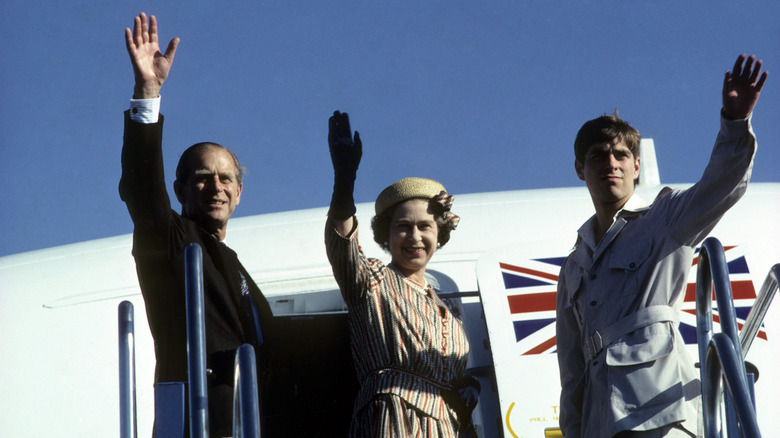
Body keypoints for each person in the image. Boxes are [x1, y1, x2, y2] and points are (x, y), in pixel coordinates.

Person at [555, 54, 768, 437]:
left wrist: (735, 123)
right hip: (599, 424)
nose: (611, 164)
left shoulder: (663, 219)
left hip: (659, 410)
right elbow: (571, 370)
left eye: (621, 155)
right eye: (598, 156)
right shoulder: (574, 265)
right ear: (579, 169)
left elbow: (721, 185)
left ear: (637, 166)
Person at [119, 13, 274, 437]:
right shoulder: (172, 239)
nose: (216, 187)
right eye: (203, 177)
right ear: (181, 189)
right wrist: (147, 93)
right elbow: (141, 190)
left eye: (226, 179)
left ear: (240, 193)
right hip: (196, 419)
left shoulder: (235, 266)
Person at [324, 111, 480, 437]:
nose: (414, 237)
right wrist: (344, 180)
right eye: (403, 227)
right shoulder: (372, 281)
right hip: (392, 419)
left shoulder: (449, 312)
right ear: (387, 235)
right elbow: (342, 244)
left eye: (425, 226)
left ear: (439, 232)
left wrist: (467, 386)